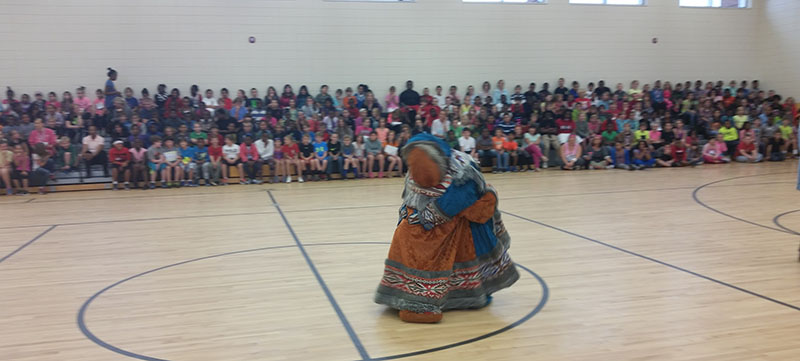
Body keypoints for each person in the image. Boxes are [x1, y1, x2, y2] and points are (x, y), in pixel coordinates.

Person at [374, 133, 519, 324]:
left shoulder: (463, 173)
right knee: (409, 241)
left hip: (461, 223)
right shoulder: (415, 168)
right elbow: (411, 194)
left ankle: (441, 299)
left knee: (453, 253)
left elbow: (452, 204)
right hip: (428, 217)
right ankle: (412, 294)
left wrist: (425, 218)